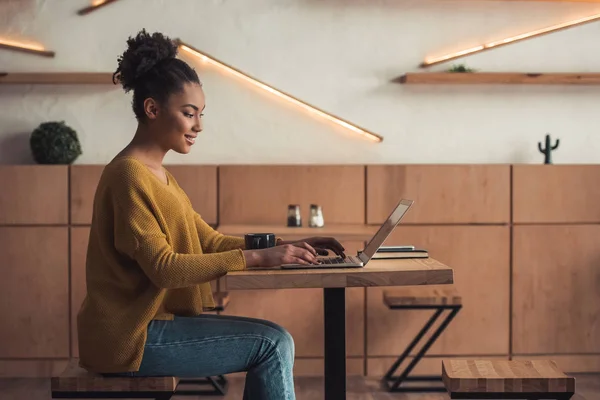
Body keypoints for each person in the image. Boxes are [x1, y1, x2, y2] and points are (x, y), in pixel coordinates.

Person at [76, 29, 346, 400]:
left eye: (200, 114)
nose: (199, 126)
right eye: (189, 114)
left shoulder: (160, 176)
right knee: (272, 343)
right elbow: (165, 268)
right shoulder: (128, 175)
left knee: (274, 339)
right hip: (131, 337)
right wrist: (257, 257)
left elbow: (210, 241)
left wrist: (285, 246)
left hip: (149, 327)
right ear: (152, 109)